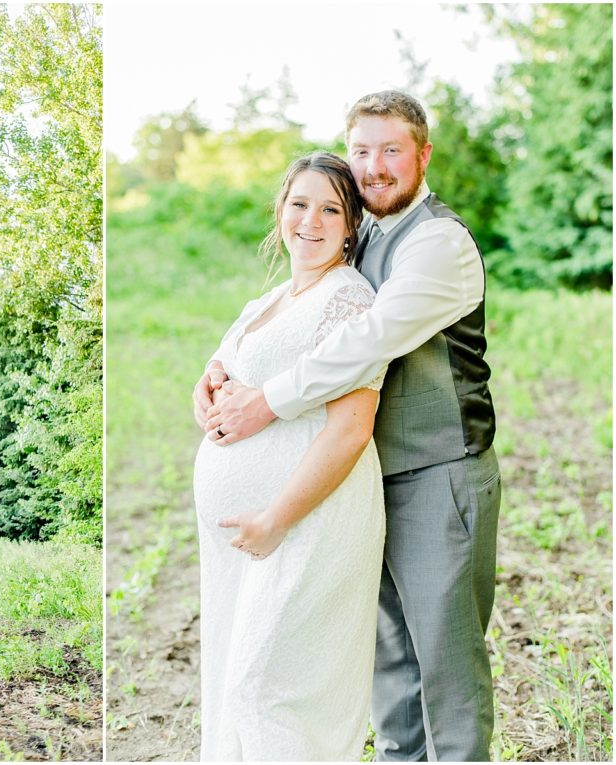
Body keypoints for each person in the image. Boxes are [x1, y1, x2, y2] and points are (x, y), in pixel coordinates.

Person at [196, 91, 501, 761]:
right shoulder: (362, 236)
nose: (374, 165)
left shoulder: (438, 244)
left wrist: (265, 400)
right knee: (388, 659)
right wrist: (220, 363)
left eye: (392, 149)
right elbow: (291, 305)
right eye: (362, 150)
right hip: (362, 485)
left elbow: (366, 341)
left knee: (445, 662)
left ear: (422, 154)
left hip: (437, 471)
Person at [193, 151, 387, 760]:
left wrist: (275, 518)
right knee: (235, 685)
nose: (312, 220)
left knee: (268, 690)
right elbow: (232, 368)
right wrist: (208, 384)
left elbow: (352, 429)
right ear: (280, 211)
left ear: (351, 224)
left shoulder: (350, 300)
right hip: (246, 537)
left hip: (307, 522)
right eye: (300, 204)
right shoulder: (268, 300)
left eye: (331, 208)